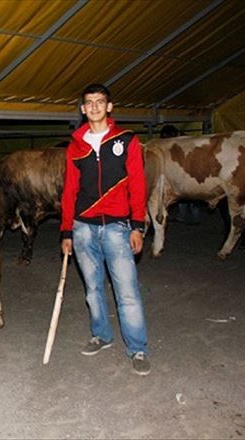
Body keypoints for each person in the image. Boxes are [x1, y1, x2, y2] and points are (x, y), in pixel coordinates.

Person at [60, 83, 150, 376]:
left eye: (101, 102)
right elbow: (70, 191)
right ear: (83, 109)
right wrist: (66, 231)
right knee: (93, 288)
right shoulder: (75, 147)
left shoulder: (127, 140)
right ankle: (101, 335)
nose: (95, 107)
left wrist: (137, 226)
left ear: (109, 107)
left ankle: (138, 347)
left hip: (117, 227)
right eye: (90, 102)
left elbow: (138, 184)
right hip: (83, 227)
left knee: (127, 291)